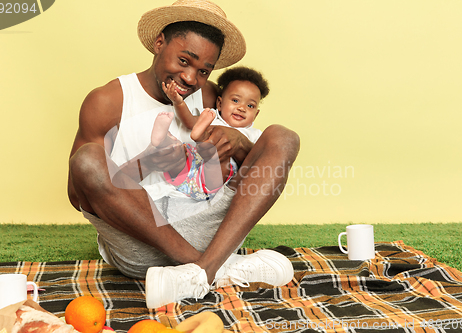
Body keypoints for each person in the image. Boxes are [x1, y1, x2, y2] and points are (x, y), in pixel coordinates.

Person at [67, 0, 300, 309]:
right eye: (184, 61)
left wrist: (237, 141)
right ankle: (214, 269)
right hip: (141, 240)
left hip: (210, 227)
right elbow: (78, 192)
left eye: (203, 70)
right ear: (158, 42)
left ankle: (199, 272)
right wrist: (149, 162)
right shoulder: (108, 101)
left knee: (283, 137)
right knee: (86, 159)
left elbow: (253, 161)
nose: (191, 78)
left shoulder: (207, 96)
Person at [152, 66, 269, 200]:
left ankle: (200, 137)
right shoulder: (212, 117)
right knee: (178, 151)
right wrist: (178, 102)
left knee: (220, 157)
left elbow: (261, 160)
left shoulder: (253, 135)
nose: (242, 108)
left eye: (250, 106)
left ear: (256, 114)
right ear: (219, 103)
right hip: (189, 175)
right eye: (235, 100)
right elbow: (189, 122)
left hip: (214, 184)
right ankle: (162, 140)